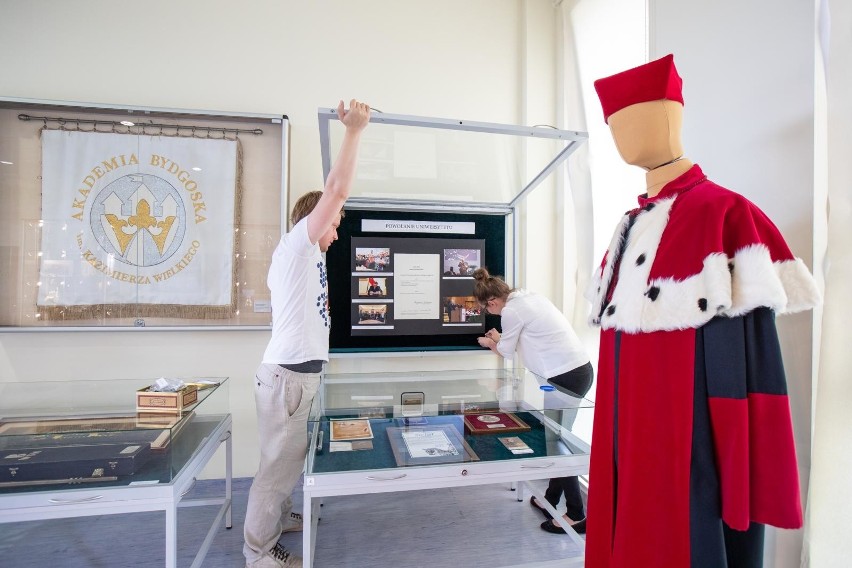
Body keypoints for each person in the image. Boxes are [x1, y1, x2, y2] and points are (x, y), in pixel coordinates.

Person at [585, 55, 820, 567]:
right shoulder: (627, 227)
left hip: (691, 451)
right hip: (626, 438)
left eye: (624, 122)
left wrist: (742, 480)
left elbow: (750, 370)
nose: (618, 138)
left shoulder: (725, 213)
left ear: (667, 117)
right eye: (612, 127)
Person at [243, 99, 371, 568]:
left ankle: (276, 520)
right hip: (288, 379)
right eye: (334, 224)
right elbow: (336, 190)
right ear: (314, 218)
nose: (336, 234)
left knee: (286, 464)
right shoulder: (299, 244)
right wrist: (354, 131)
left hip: (296, 378)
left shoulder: (306, 257)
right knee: (274, 473)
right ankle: (258, 552)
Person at [472, 267, 593, 535]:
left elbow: (506, 352)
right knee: (556, 437)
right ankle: (550, 499)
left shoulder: (511, 311)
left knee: (557, 441)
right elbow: (525, 341)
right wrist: (501, 341)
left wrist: (489, 341)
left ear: (492, 302)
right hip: (575, 371)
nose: (489, 314)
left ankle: (576, 514)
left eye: (486, 309)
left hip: (566, 378)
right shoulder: (527, 297)